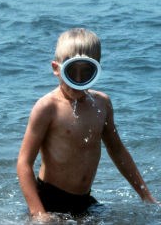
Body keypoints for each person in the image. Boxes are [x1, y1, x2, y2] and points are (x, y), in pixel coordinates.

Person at [16, 28, 156, 220]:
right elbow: (24, 163)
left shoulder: (102, 103)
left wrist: (146, 196)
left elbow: (117, 150)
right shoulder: (48, 108)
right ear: (57, 69)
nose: (78, 81)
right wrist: (38, 212)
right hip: (50, 200)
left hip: (85, 202)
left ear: (96, 70)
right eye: (72, 72)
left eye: (87, 72)